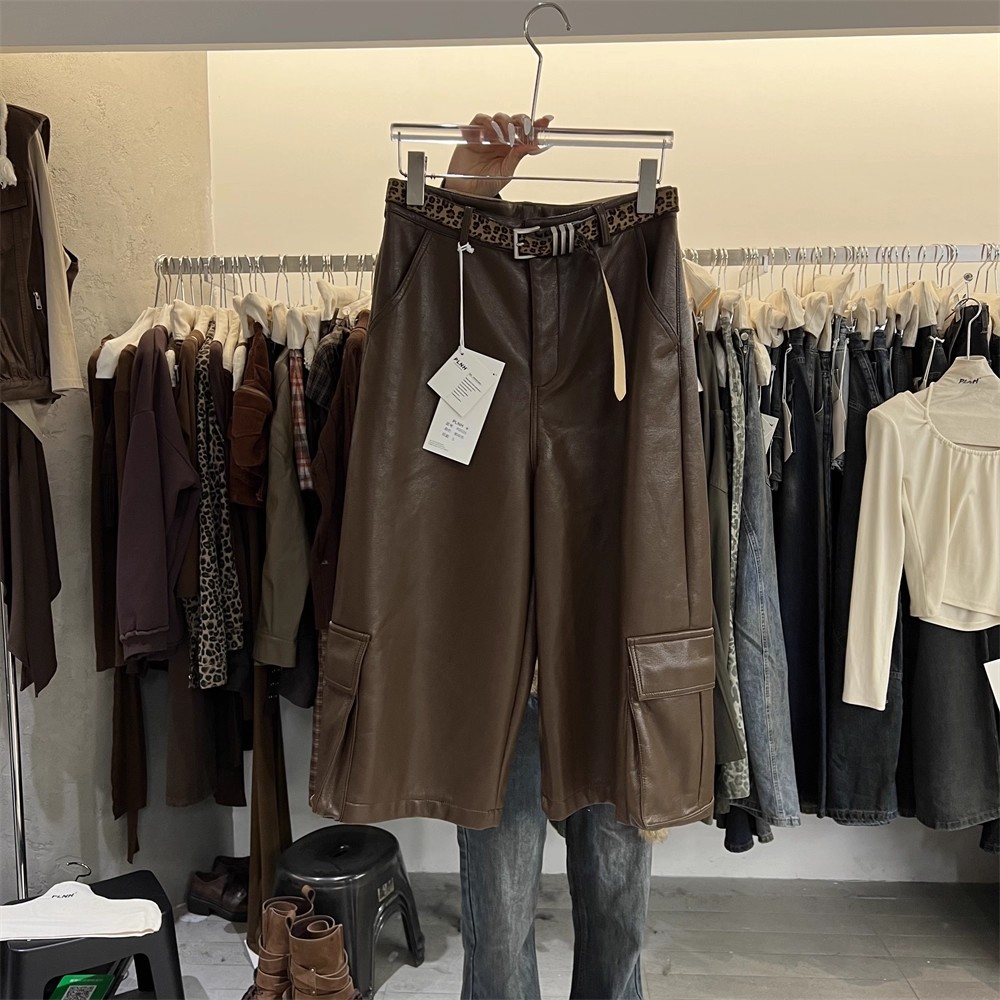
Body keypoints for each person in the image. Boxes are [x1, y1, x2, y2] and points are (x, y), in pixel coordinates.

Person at [443, 113, 655, 1000]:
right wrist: (463, 197)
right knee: (497, 926)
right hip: (498, 674)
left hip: (605, 659)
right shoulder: (450, 317)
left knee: (617, 910)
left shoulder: (643, 317)